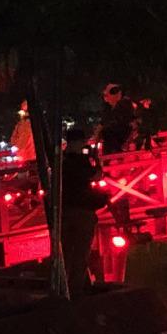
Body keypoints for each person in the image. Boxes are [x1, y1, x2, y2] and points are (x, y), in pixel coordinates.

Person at [60, 127, 109, 297]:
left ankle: (63, 288)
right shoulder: (80, 161)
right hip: (82, 212)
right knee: (81, 253)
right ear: (79, 142)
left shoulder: (60, 159)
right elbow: (96, 176)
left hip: (64, 211)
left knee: (66, 252)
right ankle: (76, 291)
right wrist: (96, 160)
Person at [98, 83, 137, 155]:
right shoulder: (109, 108)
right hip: (116, 137)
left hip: (121, 134)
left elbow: (131, 121)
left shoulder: (124, 104)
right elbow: (104, 122)